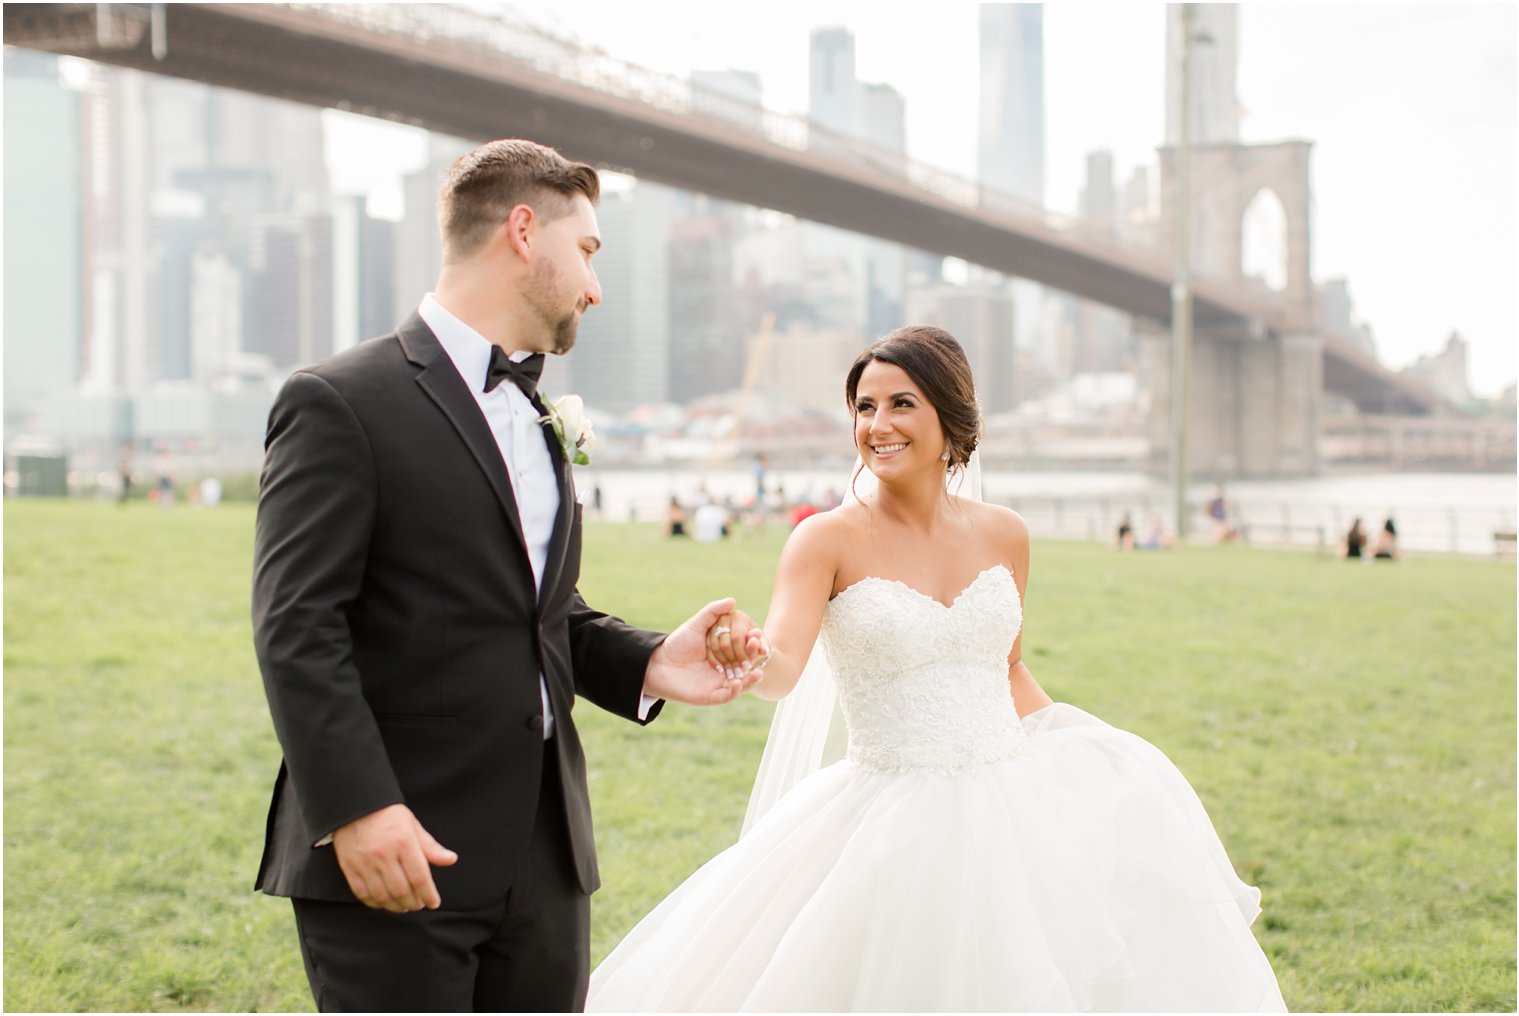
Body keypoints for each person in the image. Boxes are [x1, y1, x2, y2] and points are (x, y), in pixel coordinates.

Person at [589, 326, 1287, 1011]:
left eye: (901, 403)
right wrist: (746, 654)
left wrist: (1085, 751)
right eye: (865, 406)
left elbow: (1005, 668)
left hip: (1010, 795)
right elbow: (782, 670)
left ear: (949, 419)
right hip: (888, 812)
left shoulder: (1005, 532)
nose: (877, 424)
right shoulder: (824, 539)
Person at [251, 139, 766, 1013]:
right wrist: (358, 809)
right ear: (524, 231)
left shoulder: (535, 411)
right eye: (590, 251)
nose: (596, 287)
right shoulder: (339, 401)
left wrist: (646, 661)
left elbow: (535, 612)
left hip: (545, 863)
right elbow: (297, 625)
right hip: (400, 854)